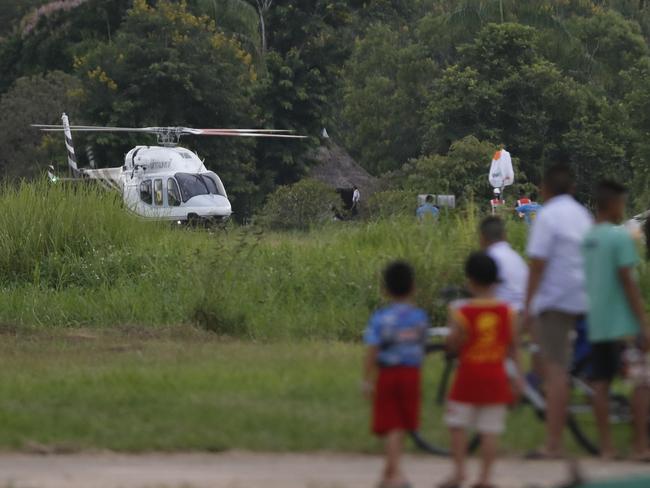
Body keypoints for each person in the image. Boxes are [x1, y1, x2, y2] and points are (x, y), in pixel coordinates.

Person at [524, 163, 593, 459]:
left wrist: (527, 305)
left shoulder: (548, 215)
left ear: (544, 189)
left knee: (555, 372)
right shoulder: (582, 215)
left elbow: (537, 265)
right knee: (549, 359)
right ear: (573, 189)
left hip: (558, 301)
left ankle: (553, 443)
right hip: (585, 298)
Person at [440, 252, 524, 488]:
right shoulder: (508, 312)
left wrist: (452, 342)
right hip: (496, 377)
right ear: (496, 280)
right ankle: (485, 479)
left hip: (468, 377)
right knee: (490, 430)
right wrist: (518, 379)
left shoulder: (461, 312)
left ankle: (459, 473)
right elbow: (514, 348)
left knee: (457, 425)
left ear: (470, 280)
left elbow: (453, 343)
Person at [582, 180, 650, 460]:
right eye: (622, 203)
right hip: (623, 323)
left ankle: (607, 447)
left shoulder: (587, 239)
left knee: (600, 382)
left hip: (597, 321)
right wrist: (642, 321)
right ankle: (639, 445)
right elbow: (627, 282)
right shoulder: (620, 238)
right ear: (611, 204)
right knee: (640, 382)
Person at [363, 261, 429, 488]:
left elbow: (373, 349)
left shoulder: (381, 318)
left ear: (385, 289)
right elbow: (422, 345)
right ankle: (390, 473)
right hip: (411, 374)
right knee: (400, 424)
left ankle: (392, 476)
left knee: (393, 424)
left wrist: (367, 378)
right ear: (413, 287)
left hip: (388, 375)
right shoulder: (420, 317)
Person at [479, 216, 529, 317]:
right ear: (504, 236)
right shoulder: (515, 256)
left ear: (482, 238)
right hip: (524, 311)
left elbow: (481, 292)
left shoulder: (489, 257)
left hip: (505, 314)